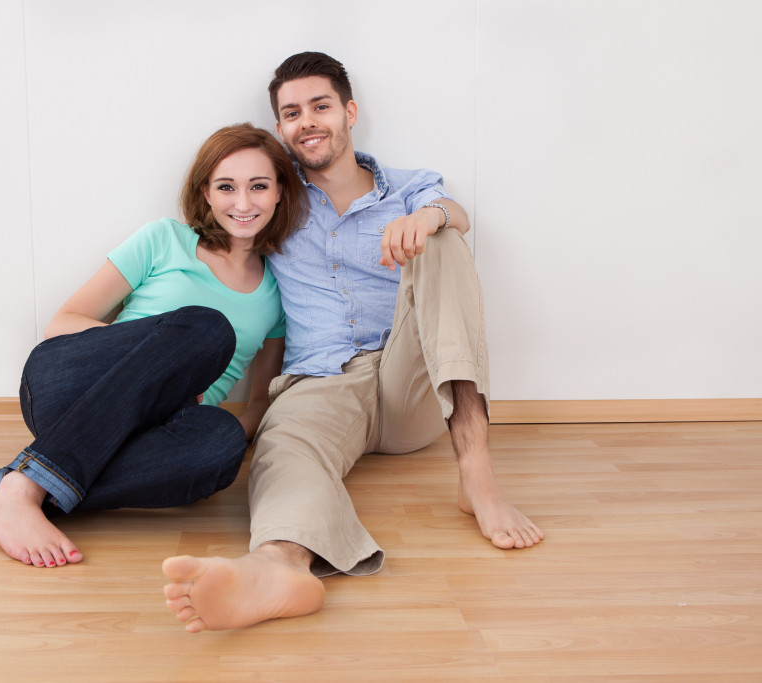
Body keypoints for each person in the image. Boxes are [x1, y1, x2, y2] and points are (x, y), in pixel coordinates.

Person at [162, 52, 544, 631]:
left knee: (445, 246)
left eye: (320, 106)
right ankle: (279, 567)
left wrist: (432, 219)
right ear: (281, 127)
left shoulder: (409, 188)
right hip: (321, 380)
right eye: (291, 113)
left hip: (410, 380)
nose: (307, 121)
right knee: (284, 448)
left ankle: (479, 475)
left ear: (349, 112)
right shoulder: (273, 198)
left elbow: (456, 212)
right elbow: (221, 234)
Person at [0, 123, 306, 568]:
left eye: (258, 186)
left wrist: (204, 416)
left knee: (221, 447)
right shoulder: (164, 239)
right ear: (206, 193)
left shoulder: (275, 296)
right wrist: (164, 370)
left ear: (279, 192)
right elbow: (62, 324)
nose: (243, 203)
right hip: (71, 389)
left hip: (157, 434)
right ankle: (25, 487)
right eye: (227, 187)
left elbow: (260, 400)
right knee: (208, 329)